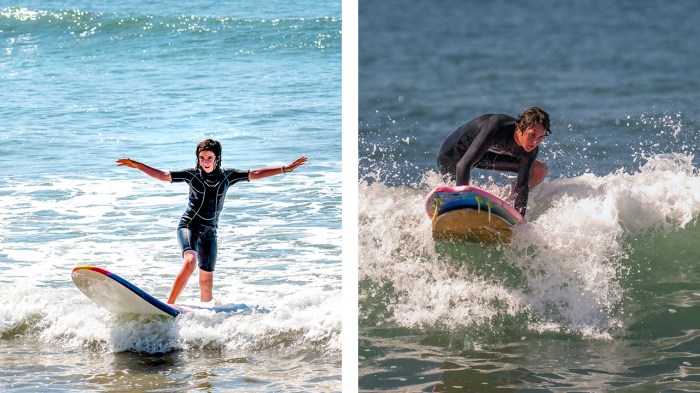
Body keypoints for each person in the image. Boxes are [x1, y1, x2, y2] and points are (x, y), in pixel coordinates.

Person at [117, 139, 307, 304]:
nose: (205, 162)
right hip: (189, 225)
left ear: (217, 159)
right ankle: (168, 306)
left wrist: (285, 169)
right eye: (202, 158)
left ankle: (206, 311)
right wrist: (138, 165)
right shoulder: (191, 175)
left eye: (209, 158)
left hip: (210, 231)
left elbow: (256, 173)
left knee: (207, 280)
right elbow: (163, 175)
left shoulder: (227, 176)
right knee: (190, 261)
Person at [436, 106, 550, 216]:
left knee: (538, 170)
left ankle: (504, 202)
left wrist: (520, 217)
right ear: (520, 128)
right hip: (452, 156)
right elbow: (463, 164)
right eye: (532, 135)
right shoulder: (497, 127)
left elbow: (522, 187)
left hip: (482, 156)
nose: (535, 142)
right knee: (455, 190)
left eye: (541, 137)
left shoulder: (531, 149)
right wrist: (462, 204)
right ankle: (457, 205)